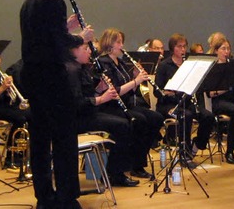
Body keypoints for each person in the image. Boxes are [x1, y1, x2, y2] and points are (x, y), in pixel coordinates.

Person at [19, 0, 94, 208]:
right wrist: (80, 38)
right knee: (64, 139)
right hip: (52, 78)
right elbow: (58, 44)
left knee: (40, 139)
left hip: (34, 78)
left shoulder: (31, 0)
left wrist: (65, 29)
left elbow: (44, 37)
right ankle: (67, 197)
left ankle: (45, 197)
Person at [69, 43, 140, 187]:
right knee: (121, 125)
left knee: (123, 123)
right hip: (76, 119)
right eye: (86, 49)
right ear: (74, 51)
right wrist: (101, 98)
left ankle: (116, 170)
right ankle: (115, 173)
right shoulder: (71, 71)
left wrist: (98, 90)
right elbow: (76, 103)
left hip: (88, 114)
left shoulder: (83, 69)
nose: (90, 52)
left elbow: (87, 94)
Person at [97, 28, 164, 179]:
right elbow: (115, 90)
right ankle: (131, 166)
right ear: (109, 43)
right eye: (118, 42)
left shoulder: (120, 62)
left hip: (126, 104)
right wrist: (136, 81)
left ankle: (137, 160)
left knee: (156, 118)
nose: (122, 45)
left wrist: (135, 78)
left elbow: (129, 91)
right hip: (110, 107)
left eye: (122, 41)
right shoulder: (103, 62)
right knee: (140, 120)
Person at [154, 33, 215, 166]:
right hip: (168, 105)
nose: (182, 50)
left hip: (186, 103)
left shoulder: (189, 65)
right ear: (172, 48)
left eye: (184, 47)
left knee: (208, 116)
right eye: (179, 47)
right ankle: (184, 155)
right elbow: (157, 91)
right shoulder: (164, 65)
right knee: (186, 116)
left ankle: (195, 147)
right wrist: (167, 92)